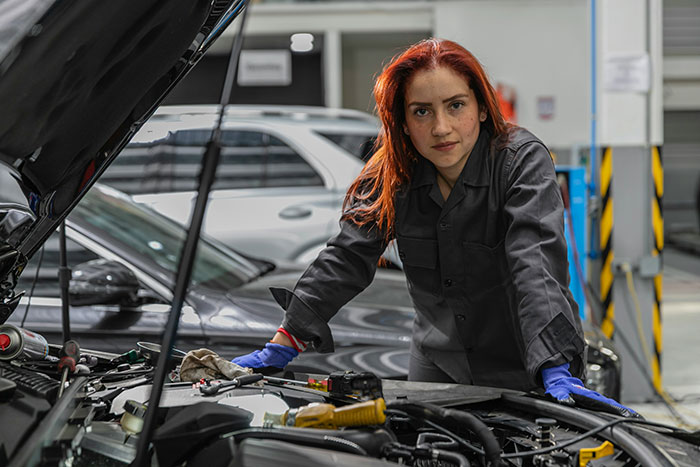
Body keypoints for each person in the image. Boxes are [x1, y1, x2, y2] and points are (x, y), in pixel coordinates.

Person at [234, 38, 636, 416]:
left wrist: (554, 366)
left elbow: (534, 265)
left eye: (456, 105)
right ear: (404, 121)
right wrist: (286, 340)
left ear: (482, 107)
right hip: (437, 365)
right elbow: (347, 255)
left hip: (529, 364)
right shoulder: (392, 173)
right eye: (422, 111)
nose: (441, 127)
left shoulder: (521, 162)